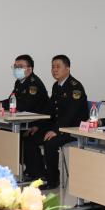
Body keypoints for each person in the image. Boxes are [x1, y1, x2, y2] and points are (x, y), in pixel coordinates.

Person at [31, 54, 88, 188]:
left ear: (67, 69)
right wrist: (37, 125)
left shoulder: (75, 87)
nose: (54, 70)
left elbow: (71, 114)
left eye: (58, 67)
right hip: (60, 126)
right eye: (53, 67)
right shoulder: (56, 86)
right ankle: (39, 174)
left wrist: (56, 130)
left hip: (74, 129)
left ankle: (53, 180)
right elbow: (50, 110)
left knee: (50, 143)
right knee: (32, 138)